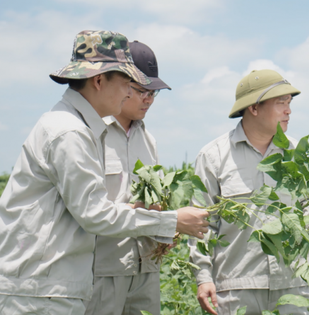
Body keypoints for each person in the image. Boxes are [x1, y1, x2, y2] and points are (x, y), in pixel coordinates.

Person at [0, 30, 209, 313]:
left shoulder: (79, 127)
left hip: (53, 287)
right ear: (99, 80)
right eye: (127, 83)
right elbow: (94, 213)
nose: (129, 92)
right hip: (40, 293)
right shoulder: (69, 132)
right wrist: (170, 221)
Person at [189, 69, 309, 315]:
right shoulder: (213, 157)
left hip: (293, 284)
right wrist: (204, 277)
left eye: (289, 103)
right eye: (280, 103)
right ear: (254, 108)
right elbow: (201, 224)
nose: (288, 111)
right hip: (236, 289)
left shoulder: (296, 155)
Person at [83, 40, 172, 315]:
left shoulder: (149, 141)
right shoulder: (90, 134)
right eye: (141, 91)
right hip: (102, 271)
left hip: (146, 269)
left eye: (153, 93)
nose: (148, 99)